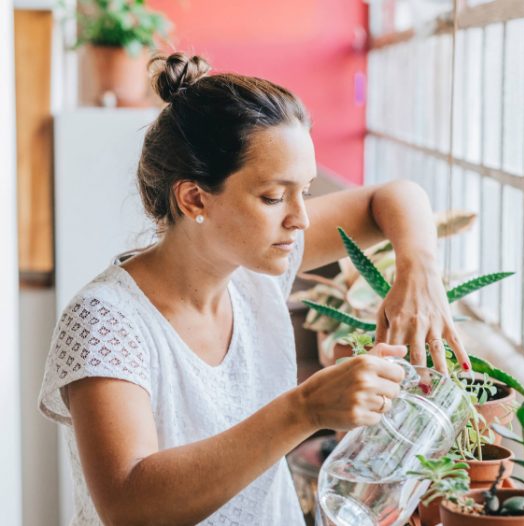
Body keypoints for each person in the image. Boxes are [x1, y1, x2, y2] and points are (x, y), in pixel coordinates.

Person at [39, 52, 470, 526]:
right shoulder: (107, 320)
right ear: (194, 198)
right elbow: (129, 504)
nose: (301, 218)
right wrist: (303, 410)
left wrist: (419, 270)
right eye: (273, 197)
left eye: (304, 191)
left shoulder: (255, 268)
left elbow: (395, 196)